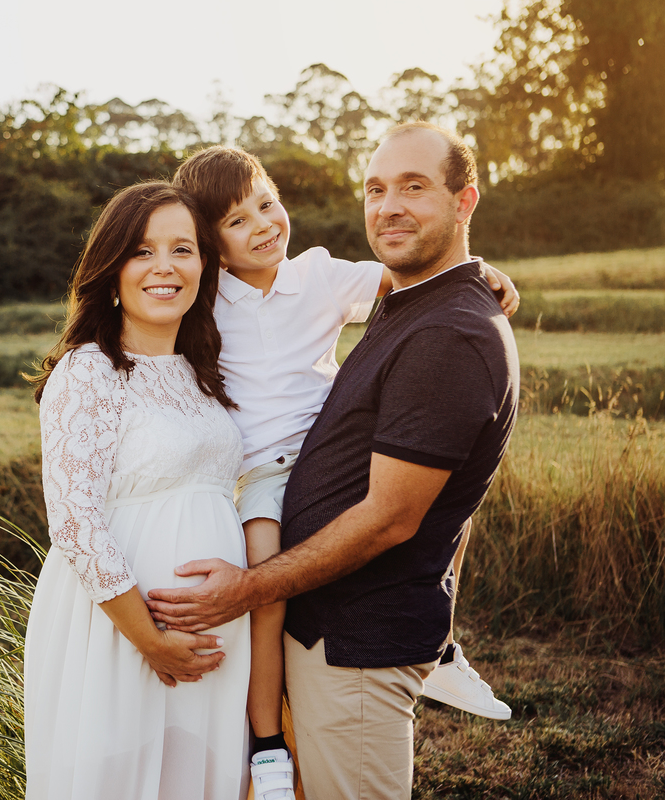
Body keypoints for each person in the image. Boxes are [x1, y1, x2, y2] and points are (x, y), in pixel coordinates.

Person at [147, 122, 520, 799]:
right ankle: (268, 738)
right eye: (377, 190)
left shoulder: (337, 283)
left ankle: (441, 649)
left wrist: (483, 272)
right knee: (266, 576)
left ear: (464, 200)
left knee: (446, 511)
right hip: (263, 477)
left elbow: (412, 272)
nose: (263, 224)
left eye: (267, 203)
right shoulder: (210, 304)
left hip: (354, 613)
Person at [24, 181, 251, 800]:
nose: (164, 267)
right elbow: (74, 521)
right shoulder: (89, 370)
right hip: (118, 632)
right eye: (143, 251)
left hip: (208, 637)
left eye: (183, 249)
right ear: (112, 268)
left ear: (204, 266)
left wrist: (465, 279)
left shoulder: (203, 373)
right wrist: (150, 640)